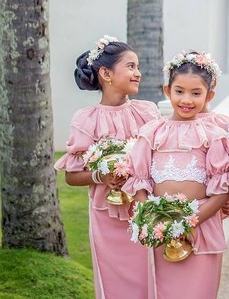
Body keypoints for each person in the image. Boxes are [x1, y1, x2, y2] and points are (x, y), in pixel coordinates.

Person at [55, 37, 161, 299]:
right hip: (107, 219)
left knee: (151, 279)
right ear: (106, 73)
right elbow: (71, 176)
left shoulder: (147, 112)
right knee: (116, 286)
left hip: (144, 211)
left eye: (138, 67)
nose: (138, 73)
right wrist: (101, 175)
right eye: (131, 66)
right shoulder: (86, 119)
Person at [123, 51, 229, 299]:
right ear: (167, 91)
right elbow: (139, 183)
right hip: (162, 229)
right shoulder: (151, 133)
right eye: (179, 91)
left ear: (209, 96)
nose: (187, 99)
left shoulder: (213, 135)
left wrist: (187, 222)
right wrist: (154, 220)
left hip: (201, 226)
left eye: (196, 93)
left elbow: (221, 189)